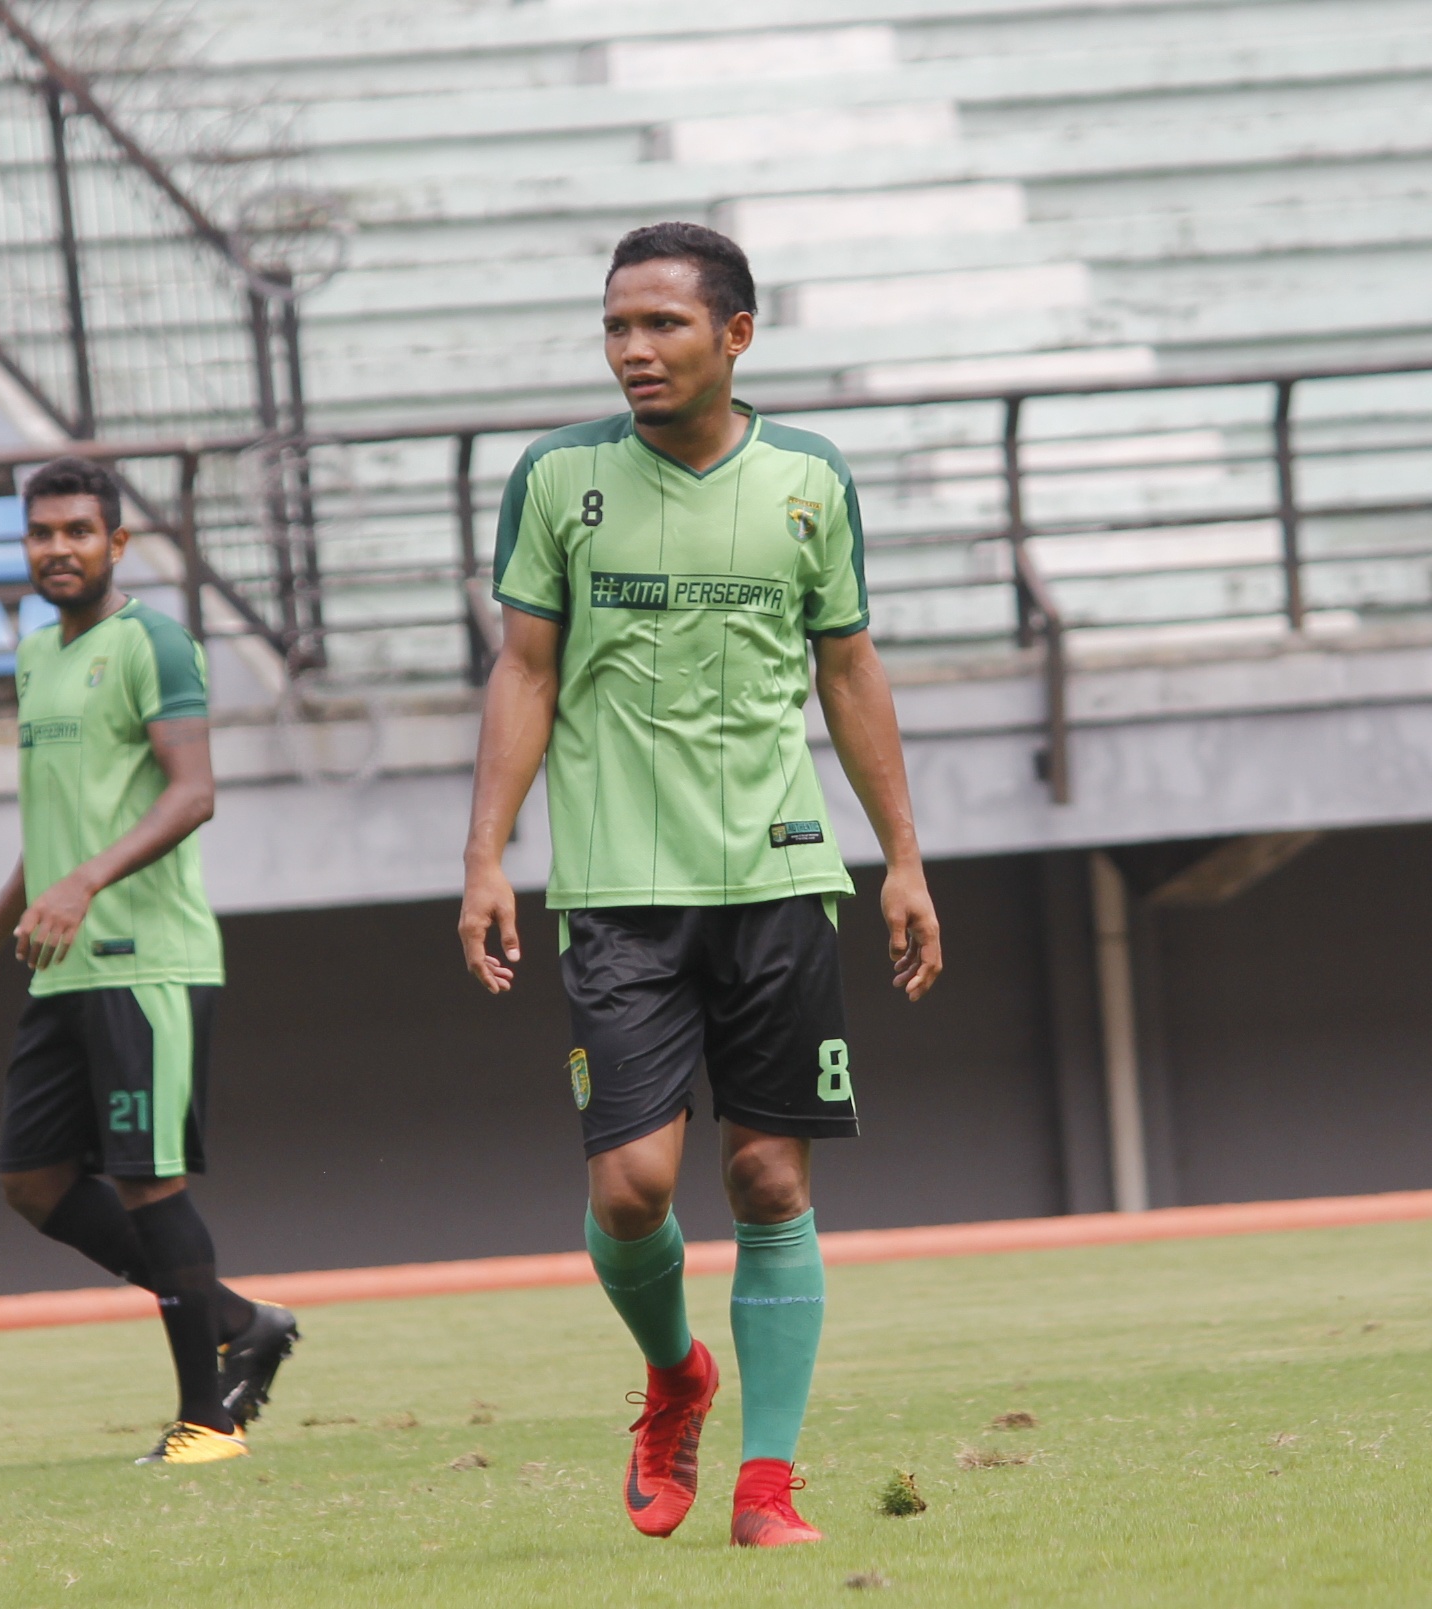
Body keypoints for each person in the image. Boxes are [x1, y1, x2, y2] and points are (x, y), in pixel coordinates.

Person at [457, 223, 943, 1547]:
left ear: (736, 336)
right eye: (617, 326)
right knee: (630, 1187)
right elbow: (526, 671)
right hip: (617, 888)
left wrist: (901, 857)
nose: (632, 351)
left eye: (662, 325)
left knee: (773, 1180)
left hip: (780, 880)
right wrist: (486, 853)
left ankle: (767, 1488)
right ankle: (675, 1376)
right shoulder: (558, 479)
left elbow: (849, 668)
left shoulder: (809, 478)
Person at [0, 455, 297, 1466]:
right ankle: (237, 1317)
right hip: (63, 962)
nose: (57, 549)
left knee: (145, 1183)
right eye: (41, 533)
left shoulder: (154, 643)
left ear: (116, 543)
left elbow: (192, 793)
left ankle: (205, 1424)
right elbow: (53, 826)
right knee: (31, 1179)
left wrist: (83, 883)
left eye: (77, 531)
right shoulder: (36, 653)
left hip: (146, 960)